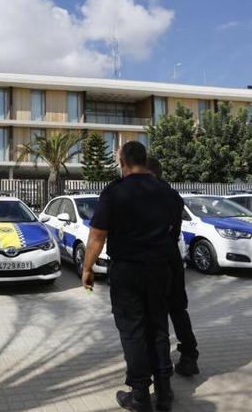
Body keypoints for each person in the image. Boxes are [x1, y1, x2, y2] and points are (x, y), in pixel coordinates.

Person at [83, 141, 183, 412]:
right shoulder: (168, 193)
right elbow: (173, 232)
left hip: (128, 271)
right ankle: (164, 393)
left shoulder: (114, 192)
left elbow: (97, 236)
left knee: (133, 330)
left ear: (123, 162)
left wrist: (87, 268)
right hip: (159, 269)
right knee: (158, 327)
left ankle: (139, 395)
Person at [146, 156, 199, 378]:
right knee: (178, 309)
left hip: (154, 261)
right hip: (172, 257)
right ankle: (189, 356)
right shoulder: (174, 195)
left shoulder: (146, 196)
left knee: (156, 315)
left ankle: (161, 367)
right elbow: (175, 231)